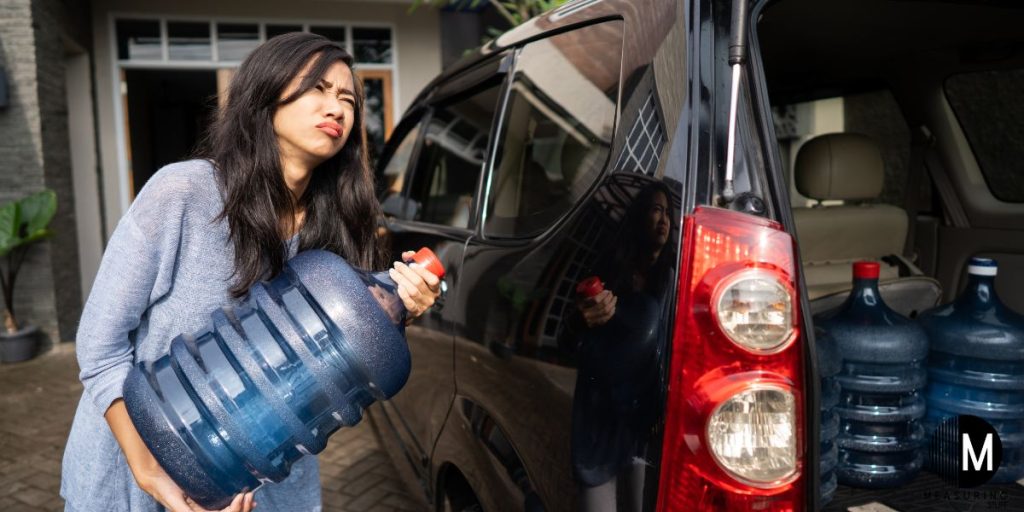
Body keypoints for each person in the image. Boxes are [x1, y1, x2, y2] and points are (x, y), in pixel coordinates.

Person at [60, 33, 441, 512]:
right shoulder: (183, 194)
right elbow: (99, 348)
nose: (337, 108)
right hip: (136, 463)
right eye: (317, 89)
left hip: (254, 480)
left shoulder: (336, 224)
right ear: (266, 92)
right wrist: (151, 473)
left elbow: (333, 363)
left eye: (348, 98)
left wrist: (403, 307)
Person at [569, 180, 676, 512]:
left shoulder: (673, 278)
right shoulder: (609, 271)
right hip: (600, 419)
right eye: (656, 209)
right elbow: (571, 340)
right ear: (639, 215)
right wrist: (585, 318)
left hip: (645, 421)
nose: (664, 220)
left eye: (669, 214)